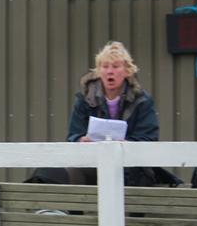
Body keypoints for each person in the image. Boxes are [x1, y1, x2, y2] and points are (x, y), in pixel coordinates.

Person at [47, 40, 166, 187]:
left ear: (127, 71)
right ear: (98, 71)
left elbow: (149, 138)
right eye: (105, 66)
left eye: (115, 66)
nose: (110, 71)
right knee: (65, 172)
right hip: (93, 166)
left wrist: (127, 145)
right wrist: (81, 140)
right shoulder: (84, 99)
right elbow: (73, 136)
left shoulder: (142, 101)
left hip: (133, 170)